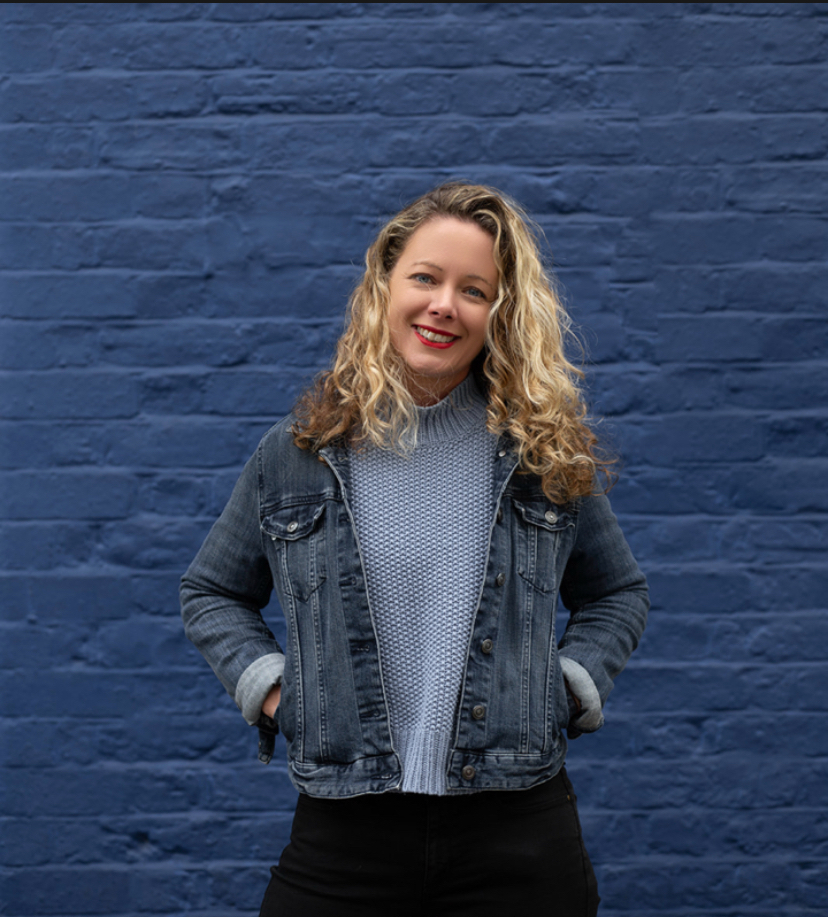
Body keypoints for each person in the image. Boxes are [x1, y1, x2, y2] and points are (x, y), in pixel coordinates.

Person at [181, 182, 649, 916]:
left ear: (501, 315)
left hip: (518, 834)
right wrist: (279, 693)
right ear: (384, 287)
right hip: (343, 832)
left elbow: (617, 592)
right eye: (425, 278)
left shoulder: (539, 455)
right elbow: (212, 590)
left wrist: (562, 688)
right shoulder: (299, 455)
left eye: (474, 290)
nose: (443, 305)